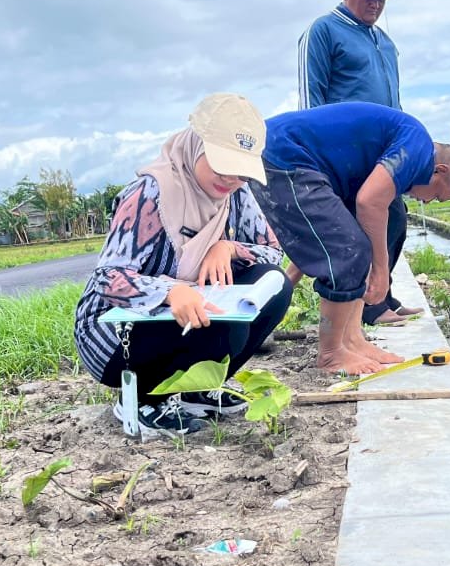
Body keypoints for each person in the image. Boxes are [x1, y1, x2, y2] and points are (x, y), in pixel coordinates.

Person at [74, 93, 293, 434]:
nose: (231, 180)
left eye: (241, 173)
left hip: (188, 313)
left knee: (273, 285)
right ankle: (142, 398)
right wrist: (170, 290)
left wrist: (227, 247)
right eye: (223, 166)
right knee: (228, 327)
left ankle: (195, 390)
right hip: (114, 333)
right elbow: (108, 279)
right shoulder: (149, 193)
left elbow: (273, 252)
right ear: (197, 144)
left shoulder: (234, 193)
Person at [250, 101, 450, 375]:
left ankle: (352, 340)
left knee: (356, 246)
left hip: (297, 159)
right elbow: (369, 203)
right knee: (348, 251)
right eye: (437, 195)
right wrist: (381, 270)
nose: (426, 201)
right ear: (440, 170)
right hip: (282, 155)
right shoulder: (418, 148)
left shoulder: (406, 144)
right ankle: (331, 354)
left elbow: (354, 219)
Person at [297, 0, 418, 327]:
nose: (375, 4)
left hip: (384, 153)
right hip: (345, 154)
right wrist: (316, 158)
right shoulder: (324, 30)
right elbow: (309, 97)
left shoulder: (384, 41)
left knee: (396, 219)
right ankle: (368, 307)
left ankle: (382, 294)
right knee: (364, 226)